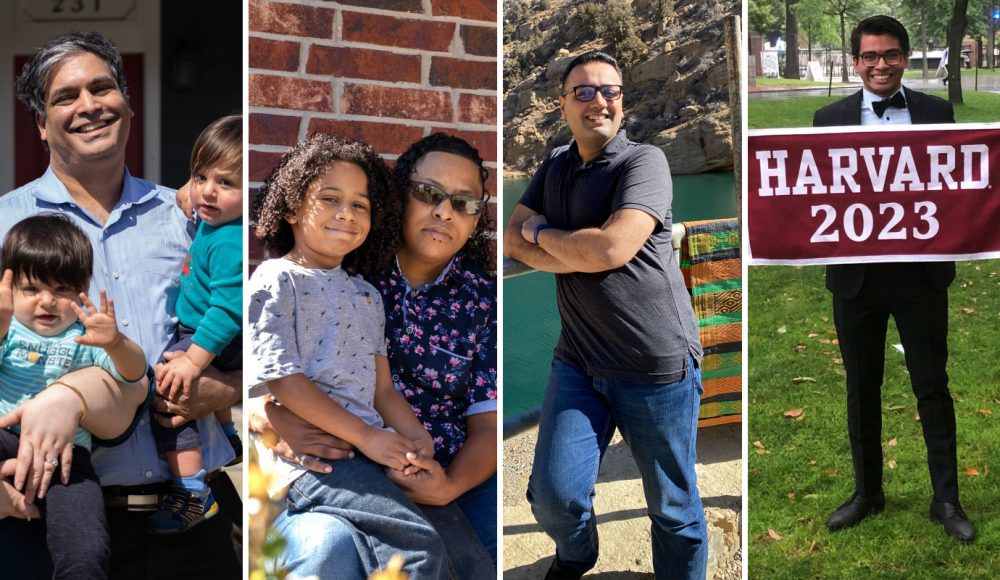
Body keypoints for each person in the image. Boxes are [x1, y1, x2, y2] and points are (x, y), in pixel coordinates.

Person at [0, 31, 241, 578]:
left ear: (127, 106)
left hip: (191, 523)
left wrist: (225, 387)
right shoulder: (5, 227)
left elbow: (256, 331)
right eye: (65, 97)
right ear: (40, 124)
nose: (89, 105)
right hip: (44, 519)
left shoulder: (195, 219)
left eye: (102, 88)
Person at [253, 132, 498, 577]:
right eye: (429, 194)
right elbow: (273, 372)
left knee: (473, 561)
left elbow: (384, 388)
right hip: (332, 459)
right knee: (412, 549)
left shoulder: (373, 295)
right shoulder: (311, 273)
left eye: (465, 203)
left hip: (414, 461)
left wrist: (422, 448)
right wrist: (267, 416)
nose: (445, 211)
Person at [503, 51, 707, 579]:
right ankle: (577, 555)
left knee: (673, 507)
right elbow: (509, 234)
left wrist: (544, 235)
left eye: (610, 91)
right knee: (552, 495)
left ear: (623, 100)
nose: (600, 101)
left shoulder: (645, 163)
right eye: (585, 92)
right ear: (563, 105)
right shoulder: (553, 164)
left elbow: (611, 249)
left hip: (654, 364)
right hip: (578, 359)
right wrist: (569, 248)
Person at [813, 15, 973, 542]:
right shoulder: (826, 119)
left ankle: (946, 499)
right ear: (855, 62)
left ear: (905, 57)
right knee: (862, 388)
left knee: (933, 386)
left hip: (921, 276)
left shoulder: (938, 113)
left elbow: (957, 188)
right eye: (869, 56)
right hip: (855, 279)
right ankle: (867, 492)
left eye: (890, 55)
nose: (880, 65)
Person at [0, 214, 147, 579]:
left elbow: (134, 374)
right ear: (11, 289)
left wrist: (116, 343)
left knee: (87, 547)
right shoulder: (9, 329)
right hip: (6, 436)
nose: (46, 301)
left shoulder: (85, 336)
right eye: (31, 289)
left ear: (82, 288)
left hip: (66, 458)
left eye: (62, 290)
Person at [147, 115, 243, 534]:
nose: (207, 190)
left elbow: (228, 311)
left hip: (207, 333)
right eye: (200, 175)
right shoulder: (215, 217)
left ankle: (192, 492)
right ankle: (228, 434)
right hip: (201, 328)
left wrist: (193, 361)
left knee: (170, 399)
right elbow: (203, 194)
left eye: (225, 183)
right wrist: (192, 191)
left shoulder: (228, 241)